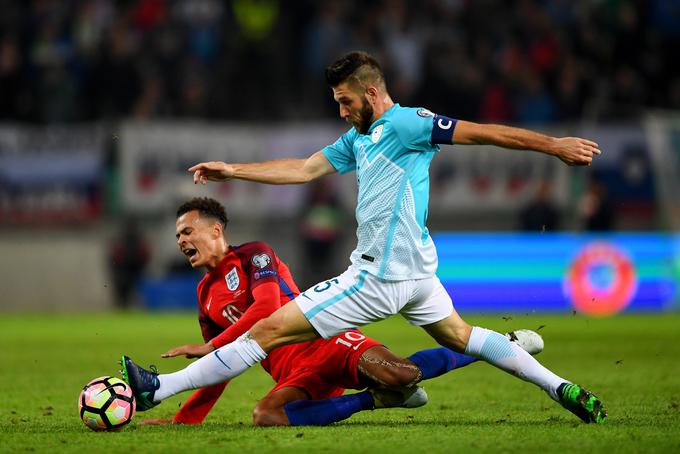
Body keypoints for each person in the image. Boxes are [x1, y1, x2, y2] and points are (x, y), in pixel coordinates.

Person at [123, 51, 606, 424]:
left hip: (378, 274)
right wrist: (234, 170)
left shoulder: (407, 122)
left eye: (345, 101)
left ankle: (157, 389)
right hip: (419, 273)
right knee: (464, 337)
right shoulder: (360, 137)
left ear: (371, 93)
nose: (340, 111)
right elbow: (305, 168)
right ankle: (561, 388)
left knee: (264, 331)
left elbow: (481, 132)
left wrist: (554, 145)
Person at [128, 197, 543, 426]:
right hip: (294, 373)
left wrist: (214, 345)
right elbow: (218, 368)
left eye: (187, 231)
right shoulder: (204, 296)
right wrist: (186, 421)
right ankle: (375, 402)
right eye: (178, 235)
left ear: (215, 230)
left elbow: (269, 307)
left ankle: (502, 345)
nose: (181, 240)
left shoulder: (254, 255)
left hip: (328, 341)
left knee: (401, 374)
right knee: (265, 417)